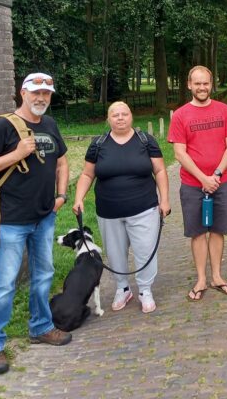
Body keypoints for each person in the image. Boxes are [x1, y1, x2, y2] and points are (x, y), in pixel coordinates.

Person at [0, 72, 71, 376]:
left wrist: (61, 195)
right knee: (4, 284)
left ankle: (41, 327)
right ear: (23, 93)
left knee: (43, 276)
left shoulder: (50, 124)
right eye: (35, 92)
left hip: (45, 216)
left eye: (46, 93)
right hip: (13, 219)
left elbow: (62, 161)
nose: (41, 98)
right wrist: (16, 154)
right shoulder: (1, 126)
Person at [73, 101, 170, 314]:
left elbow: (160, 171)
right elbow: (87, 174)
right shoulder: (98, 144)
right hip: (109, 211)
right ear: (108, 119)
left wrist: (164, 200)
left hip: (144, 208)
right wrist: (79, 198)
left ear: (131, 116)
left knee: (145, 250)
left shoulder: (146, 141)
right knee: (115, 253)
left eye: (124, 114)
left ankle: (145, 290)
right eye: (115, 115)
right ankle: (122, 288)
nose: (120, 118)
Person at [168, 66, 227, 301]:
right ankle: (201, 278)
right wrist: (203, 178)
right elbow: (180, 153)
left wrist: (216, 174)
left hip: (221, 182)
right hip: (192, 184)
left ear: (211, 84)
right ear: (189, 85)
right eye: (197, 83)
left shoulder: (224, 111)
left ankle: (217, 276)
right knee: (198, 232)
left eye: (206, 83)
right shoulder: (180, 115)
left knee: (218, 230)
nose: (202, 87)